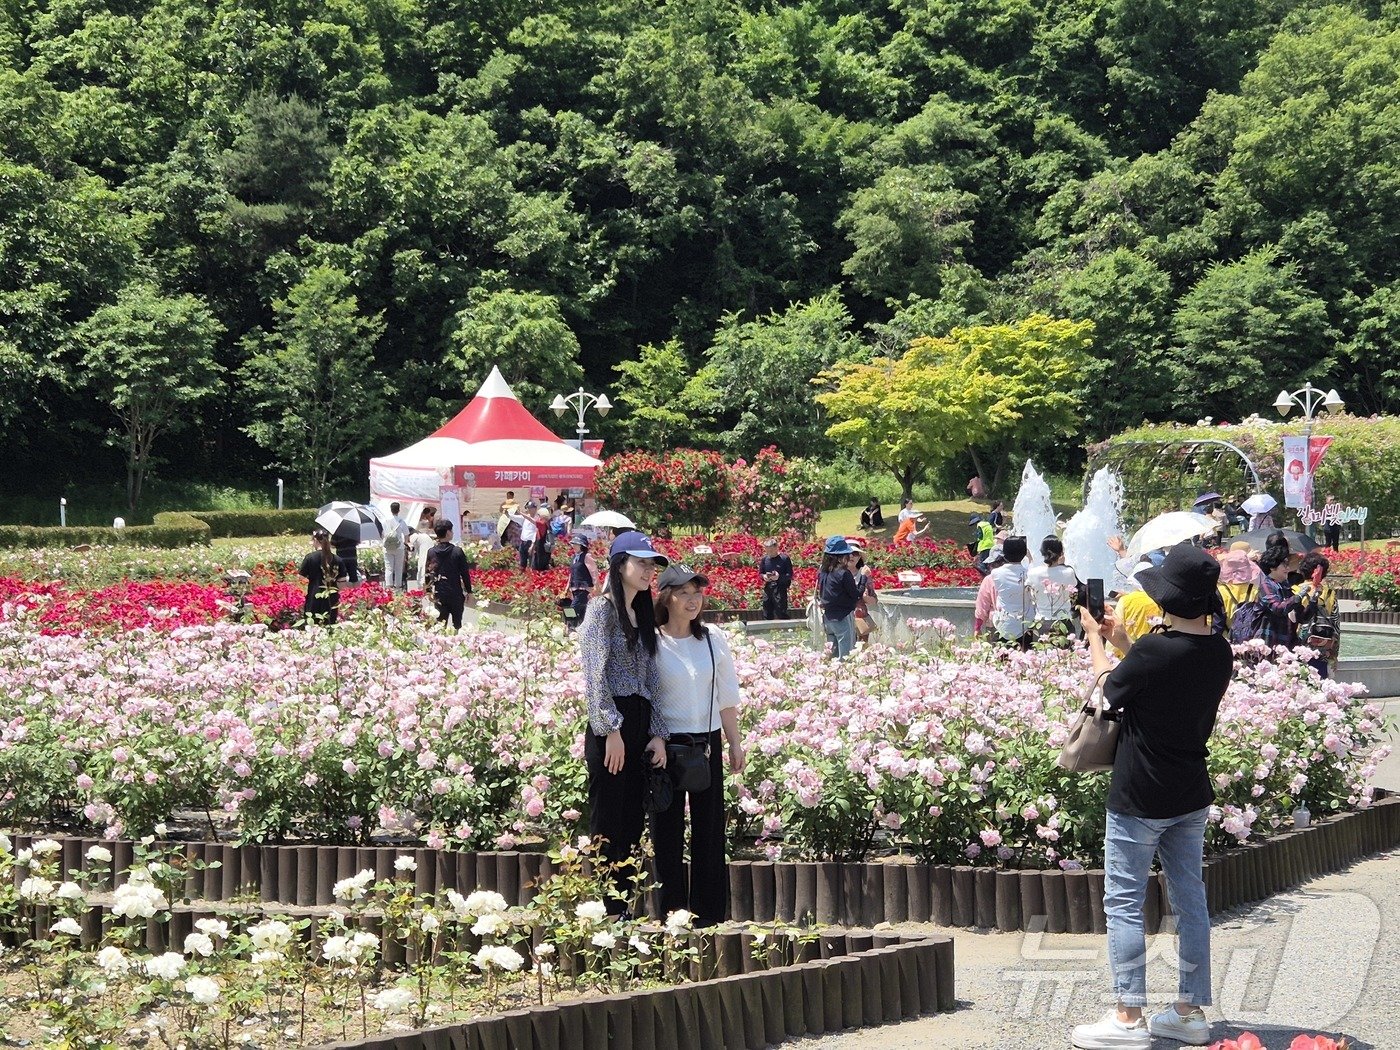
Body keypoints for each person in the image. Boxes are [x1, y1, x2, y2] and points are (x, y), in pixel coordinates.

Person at [1070, 543, 1234, 1050]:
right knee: (1191, 901)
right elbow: (1160, 681)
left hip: (1140, 794)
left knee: (1123, 903)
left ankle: (1127, 1016)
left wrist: (1098, 640)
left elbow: (1104, 694)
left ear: (1167, 599)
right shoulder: (1218, 651)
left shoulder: (1151, 652)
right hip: (1189, 792)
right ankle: (1188, 1012)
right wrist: (1123, 643)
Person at [577, 534, 671, 916]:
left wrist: (658, 734)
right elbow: (594, 674)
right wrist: (610, 730)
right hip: (611, 723)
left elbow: (652, 680)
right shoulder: (601, 610)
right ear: (619, 565)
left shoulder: (642, 614)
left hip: (640, 720)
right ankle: (606, 907)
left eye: (653, 565)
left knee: (634, 816)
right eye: (642, 563)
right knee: (607, 816)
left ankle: (624, 904)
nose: (649, 570)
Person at [651, 564, 746, 926]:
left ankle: (709, 911)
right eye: (684, 593)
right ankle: (671, 911)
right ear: (666, 597)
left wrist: (734, 741)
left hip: (706, 741)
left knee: (709, 827)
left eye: (697, 592)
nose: (693, 600)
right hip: (665, 744)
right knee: (667, 830)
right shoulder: (653, 641)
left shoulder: (712, 638)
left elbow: (727, 693)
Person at [1295, 551, 1339, 678]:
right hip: (1322, 649)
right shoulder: (1329, 594)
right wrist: (1334, 656)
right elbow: (1336, 626)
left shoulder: (1295, 591)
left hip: (1299, 647)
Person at [817, 535, 862, 660]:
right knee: (846, 656)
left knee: (832, 655)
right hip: (843, 617)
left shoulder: (822, 572)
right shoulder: (843, 573)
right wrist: (862, 581)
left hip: (828, 617)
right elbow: (855, 595)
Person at [1027, 536, 1078, 644]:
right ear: (1061, 553)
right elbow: (1073, 588)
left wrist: (1030, 560)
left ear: (1042, 552)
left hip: (1041, 622)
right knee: (1066, 657)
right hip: (1064, 621)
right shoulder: (1068, 572)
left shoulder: (1034, 573)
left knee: (1042, 658)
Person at [425, 520, 474, 629]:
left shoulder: (431, 552)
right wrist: (469, 591)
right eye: (451, 530)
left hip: (439, 593)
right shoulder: (457, 551)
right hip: (455, 593)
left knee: (440, 625)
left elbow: (428, 573)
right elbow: (465, 573)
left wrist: (428, 591)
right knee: (457, 624)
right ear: (447, 532)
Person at [989, 536, 1032, 649]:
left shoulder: (996, 573)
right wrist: (1030, 558)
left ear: (1004, 553)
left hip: (1004, 623)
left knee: (1001, 663)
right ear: (1024, 553)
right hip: (1025, 625)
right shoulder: (1030, 573)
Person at [298, 529, 344, 626]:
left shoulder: (310, 558)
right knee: (330, 624)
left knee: (313, 626)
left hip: (314, 596)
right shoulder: (337, 559)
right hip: (332, 597)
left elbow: (301, 577)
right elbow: (342, 580)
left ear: (315, 540)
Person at [566, 532, 599, 630]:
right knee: (582, 609)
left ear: (582, 545)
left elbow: (593, 572)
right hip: (575, 586)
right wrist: (567, 586)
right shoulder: (575, 557)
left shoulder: (586, 557)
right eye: (574, 544)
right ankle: (581, 627)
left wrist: (596, 585)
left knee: (572, 608)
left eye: (576, 544)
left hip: (584, 588)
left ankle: (570, 626)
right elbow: (571, 573)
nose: (574, 546)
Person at [972, 547, 1005, 636]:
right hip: (1020, 625)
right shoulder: (1020, 576)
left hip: (996, 624)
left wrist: (977, 627)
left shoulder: (989, 579)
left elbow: (982, 605)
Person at [758, 538, 793, 620]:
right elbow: (760, 573)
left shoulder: (784, 559)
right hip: (768, 587)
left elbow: (789, 575)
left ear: (776, 548)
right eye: (768, 551)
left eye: (771, 550)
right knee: (767, 609)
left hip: (780, 588)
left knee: (781, 611)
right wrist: (764, 577)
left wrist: (779, 577)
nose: (770, 553)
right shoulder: (765, 560)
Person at [851, 545, 879, 644]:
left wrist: (865, 597)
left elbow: (874, 600)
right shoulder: (837, 574)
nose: (851, 556)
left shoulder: (864, 574)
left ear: (859, 557)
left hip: (860, 617)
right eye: (848, 553)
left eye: (855, 554)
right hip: (843, 617)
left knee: (861, 650)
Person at [382, 501, 411, 589]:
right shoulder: (401, 521)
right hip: (399, 547)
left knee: (389, 567)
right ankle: (398, 586)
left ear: (390, 510)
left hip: (387, 547)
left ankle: (389, 586)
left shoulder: (385, 521)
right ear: (399, 510)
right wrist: (405, 543)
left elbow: (382, 534)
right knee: (398, 568)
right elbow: (406, 534)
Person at [507, 503, 540, 570]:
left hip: (531, 542)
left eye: (530, 508)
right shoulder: (524, 518)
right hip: (523, 542)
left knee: (532, 561)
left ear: (535, 509)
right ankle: (522, 574)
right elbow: (512, 517)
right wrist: (506, 513)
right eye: (528, 508)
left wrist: (532, 545)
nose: (528, 509)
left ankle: (532, 575)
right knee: (522, 560)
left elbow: (536, 532)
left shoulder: (537, 519)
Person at [410, 509, 436, 592]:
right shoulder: (420, 534)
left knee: (422, 565)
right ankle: (426, 583)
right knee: (427, 566)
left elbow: (412, 549)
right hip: (429, 546)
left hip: (425, 549)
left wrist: (411, 557)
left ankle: (422, 584)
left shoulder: (413, 536)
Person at [532, 505, 555, 570]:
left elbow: (532, 520)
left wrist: (521, 514)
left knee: (539, 568)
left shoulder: (542, 524)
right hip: (546, 550)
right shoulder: (548, 524)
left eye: (538, 515)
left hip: (541, 551)